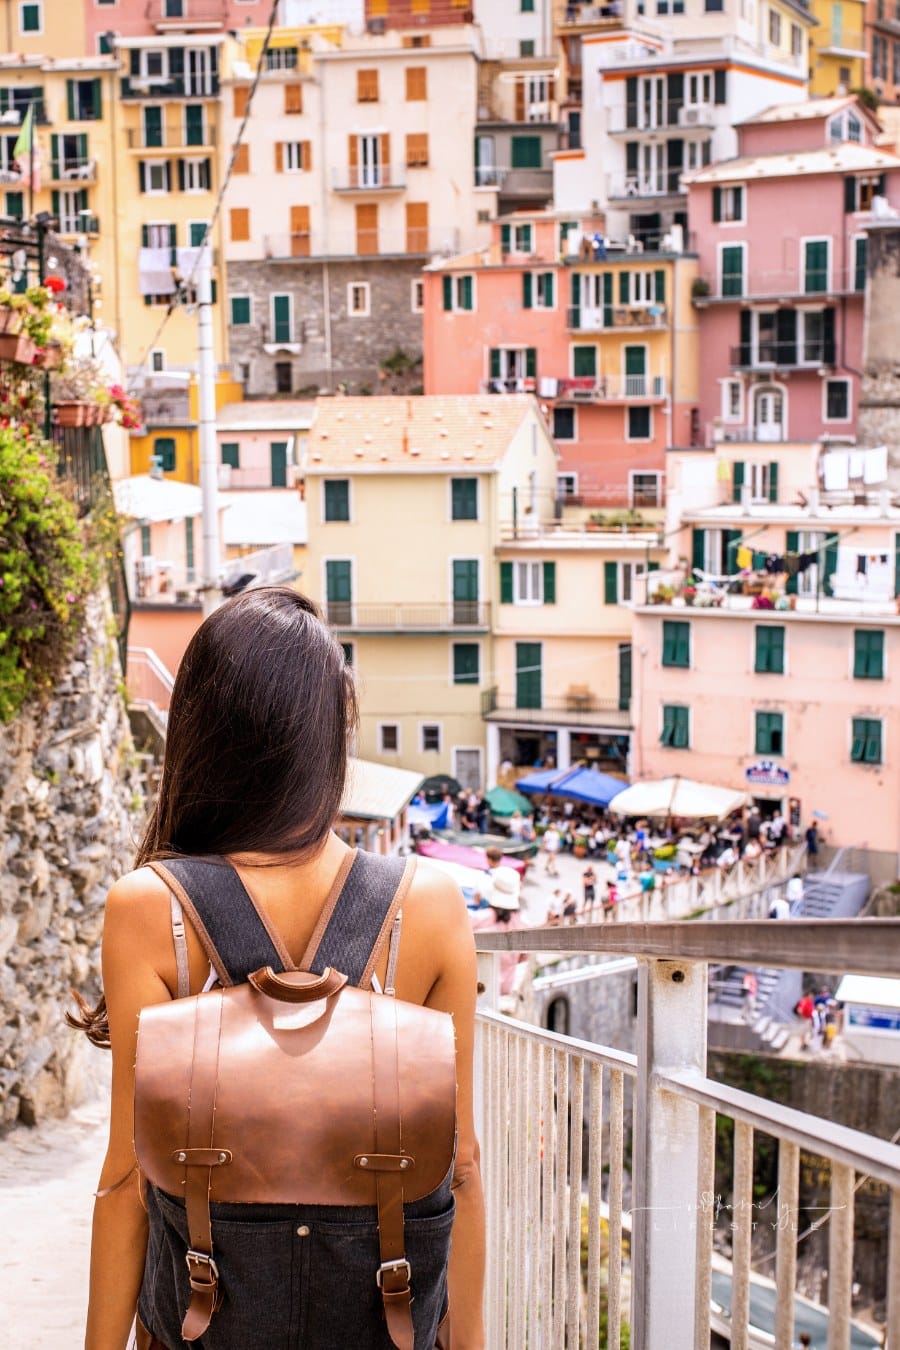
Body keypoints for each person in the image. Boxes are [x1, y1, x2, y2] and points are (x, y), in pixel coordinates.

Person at [76, 589, 485, 1350]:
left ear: (199, 733)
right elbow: (459, 1168)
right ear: (330, 738)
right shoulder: (427, 906)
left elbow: (128, 1180)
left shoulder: (149, 909)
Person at [469, 868, 526, 997]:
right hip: (504, 988)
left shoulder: (478, 919)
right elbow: (524, 957)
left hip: (475, 985)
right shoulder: (522, 924)